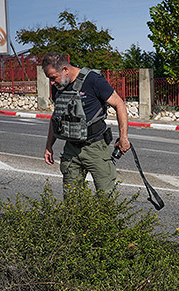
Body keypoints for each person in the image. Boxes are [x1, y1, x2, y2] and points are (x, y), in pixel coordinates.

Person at [41, 53, 130, 194]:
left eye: (53, 77)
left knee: (105, 197)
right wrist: (49, 146)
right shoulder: (58, 86)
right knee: (72, 199)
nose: (51, 83)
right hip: (71, 148)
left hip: (95, 147)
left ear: (65, 69)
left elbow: (119, 104)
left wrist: (123, 137)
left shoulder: (93, 80)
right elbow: (56, 116)